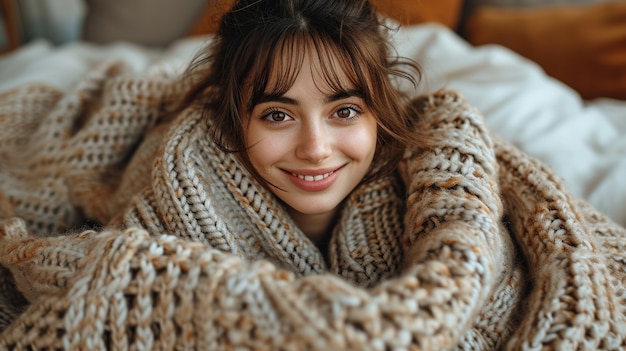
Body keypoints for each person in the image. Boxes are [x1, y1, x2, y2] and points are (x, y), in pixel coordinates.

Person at [0, 0, 625, 350]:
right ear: (232, 119)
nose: (316, 147)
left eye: (345, 110)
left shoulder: (443, 171)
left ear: (380, 113)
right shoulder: (180, 186)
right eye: (277, 113)